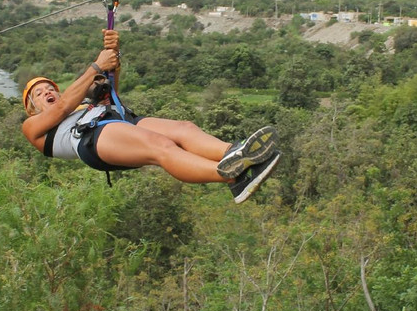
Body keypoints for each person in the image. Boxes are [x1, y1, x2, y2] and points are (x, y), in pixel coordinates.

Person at [21, 29, 280, 203]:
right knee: (161, 147)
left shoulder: (80, 105)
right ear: (33, 108)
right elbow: (63, 106)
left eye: (50, 88)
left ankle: (236, 153)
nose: (47, 93)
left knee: (184, 128)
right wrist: (98, 65)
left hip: (116, 122)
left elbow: (111, 92)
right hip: (92, 140)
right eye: (39, 94)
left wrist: (113, 59)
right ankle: (232, 177)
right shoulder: (33, 127)